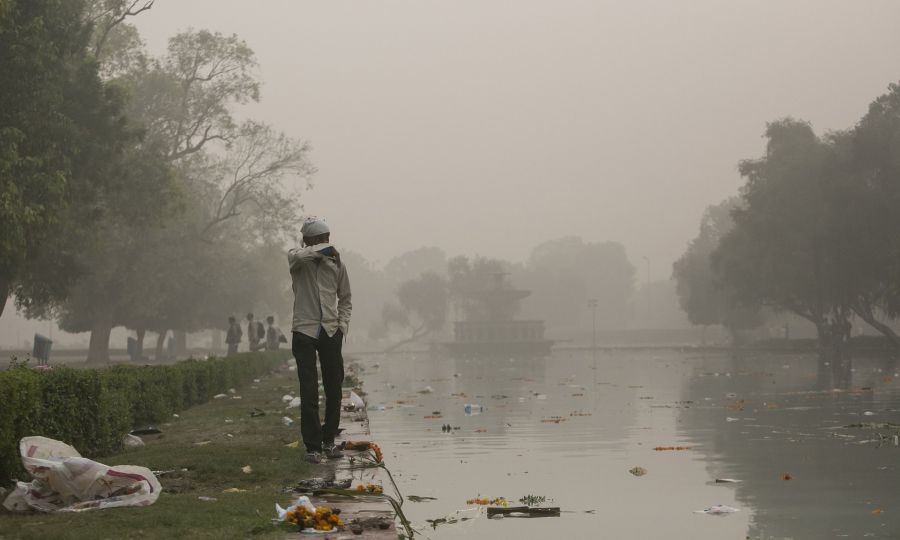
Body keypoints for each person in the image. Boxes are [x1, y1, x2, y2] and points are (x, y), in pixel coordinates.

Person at [288, 217, 352, 463]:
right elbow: (299, 256)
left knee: (334, 387)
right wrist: (321, 249)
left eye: (327, 239)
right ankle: (312, 447)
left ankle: (328, 440)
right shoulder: (297, 261)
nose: (325, 243)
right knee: (309, 390)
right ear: (308, 241)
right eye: (319, 240)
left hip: (330, 330)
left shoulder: (337, 265)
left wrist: (342, 326)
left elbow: (345, 298)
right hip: (304, 330)